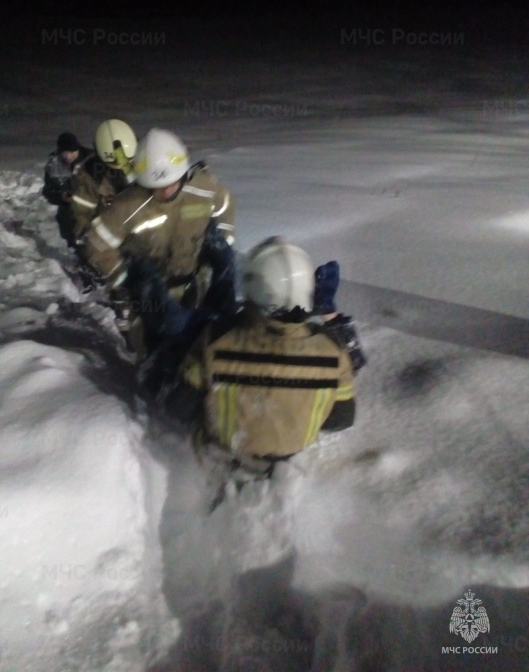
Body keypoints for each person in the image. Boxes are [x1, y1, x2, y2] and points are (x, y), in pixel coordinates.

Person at [155, 237, 364, 477]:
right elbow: (341, 419)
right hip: (292, 459)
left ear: (255, 287)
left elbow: (179, 407)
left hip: (223, 453)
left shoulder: (216, 339)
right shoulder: (333, 350)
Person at [85, 127, 236, 356]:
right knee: (156, 352)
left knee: (204, 341)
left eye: (171, 184)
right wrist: (122, 279)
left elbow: (224, 206)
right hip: (149, 297)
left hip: (194, 285)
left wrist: (222, 243)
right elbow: (97, 244)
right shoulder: (127, 206)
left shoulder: (205, 188)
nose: (165, 192)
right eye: (157, 188)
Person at [70, 118, 138, 244]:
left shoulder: (146, 158)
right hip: (113, 229)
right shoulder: (91, 174)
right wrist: (86, 236)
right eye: (114, 163)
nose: (122, 165)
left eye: (125, 161)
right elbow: (82, 210)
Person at [42, 132, 91, 248]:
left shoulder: (91, 160)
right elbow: (48, 190)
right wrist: (61, 197)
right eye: (65, 153)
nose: (68, 157)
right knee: (68, 221)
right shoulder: (54, 164)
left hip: (92, 205)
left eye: (72, 153)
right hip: (69, 212)